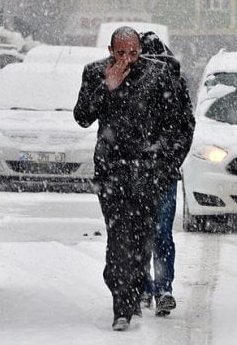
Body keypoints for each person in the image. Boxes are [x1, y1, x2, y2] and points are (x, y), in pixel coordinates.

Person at [74, 26, 193, 331]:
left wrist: (166, 163)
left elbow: (179, 124)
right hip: (112, 172)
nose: (127, 59)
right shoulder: (95, 73)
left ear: (140, 50)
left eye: (133, 52)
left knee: (142, 240)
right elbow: (83, 116)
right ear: (110, 50)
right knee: (118, 238)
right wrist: (107, 88)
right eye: (121, 52)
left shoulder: (158, 75)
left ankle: (133, 287)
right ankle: (122, 307)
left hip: (148, 174)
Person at [137, 31, 195, 317]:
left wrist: (170, 158)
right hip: (146, 172)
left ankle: (159, 288)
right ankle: (150, 287)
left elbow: (186, 127)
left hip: (158, 172)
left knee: (155, 232)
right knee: (149, 232)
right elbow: (186, 128)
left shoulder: (173, 84)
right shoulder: (137, 83)